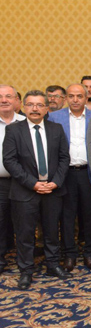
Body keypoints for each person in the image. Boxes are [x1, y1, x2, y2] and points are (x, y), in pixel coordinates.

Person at [3, 90, 70, 289]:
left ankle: (52, 265)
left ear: (46, 108)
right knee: (25, 233)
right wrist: (33, 183)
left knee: (51, 231)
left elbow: (64, 158)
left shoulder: (56, 128)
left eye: (40, 105)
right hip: (25, 191)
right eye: (31, 104)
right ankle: (26, 270)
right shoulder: (14, 130)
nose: (35, 108)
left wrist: (55, 182)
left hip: (52, 190)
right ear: (24, 107)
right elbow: (10, 161)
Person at [48, 84, 91, 272]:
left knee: (90, 215)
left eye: (79, 96)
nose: (75, 100)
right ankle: (69, 254)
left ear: (86, 98)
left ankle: (89, 253)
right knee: (67, 216)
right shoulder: (54, 117)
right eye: (71, 96)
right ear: (66, 98)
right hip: (65, 174)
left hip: (88, 173)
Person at [0, 85, 25, 275]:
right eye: (0, 97)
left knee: (23, 222)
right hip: (0, 182)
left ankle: (24, 261)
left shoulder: (26, 122)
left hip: (23, 183)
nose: (4, 100)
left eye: (8, 96)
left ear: (16, 100)